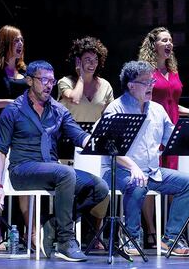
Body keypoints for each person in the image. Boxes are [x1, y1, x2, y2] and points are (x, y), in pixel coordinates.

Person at [0, 60, 109, 262]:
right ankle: (65, 240)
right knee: (65, 172)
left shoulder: (58, 110)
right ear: (29, 80)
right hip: (23, 170)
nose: (48, 85)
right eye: (43, 80)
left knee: (99, 187)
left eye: (51, 81)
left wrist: (95, 140)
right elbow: (0, 151)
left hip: (54, 171)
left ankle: (53, 225)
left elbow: (79, 136)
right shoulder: (13, 111)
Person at [102, 60, 189, 256]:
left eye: (152, 81)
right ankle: (131, 237)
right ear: (131, 85)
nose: (151, 86)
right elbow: (110, 149)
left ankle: (171, 238)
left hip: (153, 171)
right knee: (137, 184)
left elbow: (172, 138)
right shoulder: (116, 109)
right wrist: (134, 167)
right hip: (120, 171)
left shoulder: (157, 109)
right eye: (146, 83)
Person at [137, 27, 189, 248]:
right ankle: (150, 230)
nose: (169, 44)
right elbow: (142, 99)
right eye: (164, 40)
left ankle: (171, 233)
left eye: (171, 41)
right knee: (151, 180)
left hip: (174, 132)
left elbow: (171, 102)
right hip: (152, 130)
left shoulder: (173, 70)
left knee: (173, 180)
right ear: (153, 45)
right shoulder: (145, 70)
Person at [0, 25, 35, 250]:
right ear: (5, 43)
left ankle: (29, 233)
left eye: (22, 40)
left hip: (21, 135)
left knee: (24, 184)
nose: (20, 44)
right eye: (15, 40)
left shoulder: (26, 72)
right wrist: (11, 103)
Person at [57, 35, 113, 249]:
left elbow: (108, 116)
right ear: (77, 60)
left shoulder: (105, 85)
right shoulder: (65, 81)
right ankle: (66, 231)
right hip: (67, 143)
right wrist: (81, 76)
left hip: (94, 145)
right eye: (87, 59)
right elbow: (75, 98)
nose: (92, 63)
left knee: (103, 186)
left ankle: (95, 233)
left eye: (95, 59)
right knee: (70, 188)